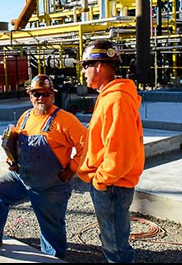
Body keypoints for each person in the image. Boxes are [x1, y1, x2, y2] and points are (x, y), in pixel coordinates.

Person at [0, 74, 87, 259]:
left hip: (51, 185)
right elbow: (15, 143)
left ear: (52, 95)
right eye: (36, 94)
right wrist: (13, 160)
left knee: (50, 226)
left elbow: (86, 144)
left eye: (46, 93)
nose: (41, 98)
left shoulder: (65, 120)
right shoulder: (25, 117)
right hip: (22, 177)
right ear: (30, 95)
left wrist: (72, 168)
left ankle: (52, 259)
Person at [77, 39, 144, 263]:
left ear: (98, 66)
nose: (83, 71)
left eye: (85, 65)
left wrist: (101, 180)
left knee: (116, 248)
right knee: (112, 240)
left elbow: (121, 151)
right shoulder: (109, 96)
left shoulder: (116, 99)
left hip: (112, 186)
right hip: (111, 184)